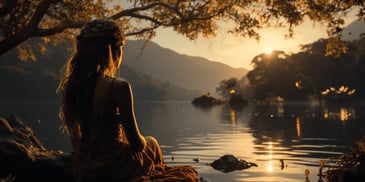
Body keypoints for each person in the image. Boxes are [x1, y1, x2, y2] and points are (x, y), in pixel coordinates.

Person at [57, 19, 197, 181]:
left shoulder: (74, 87)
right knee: (152, 142)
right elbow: (137, 144)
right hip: (114, 166)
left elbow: (77, 142)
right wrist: (147, 142)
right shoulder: (119, 87)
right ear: (113, 50)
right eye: (122, 48)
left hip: (86, 166)